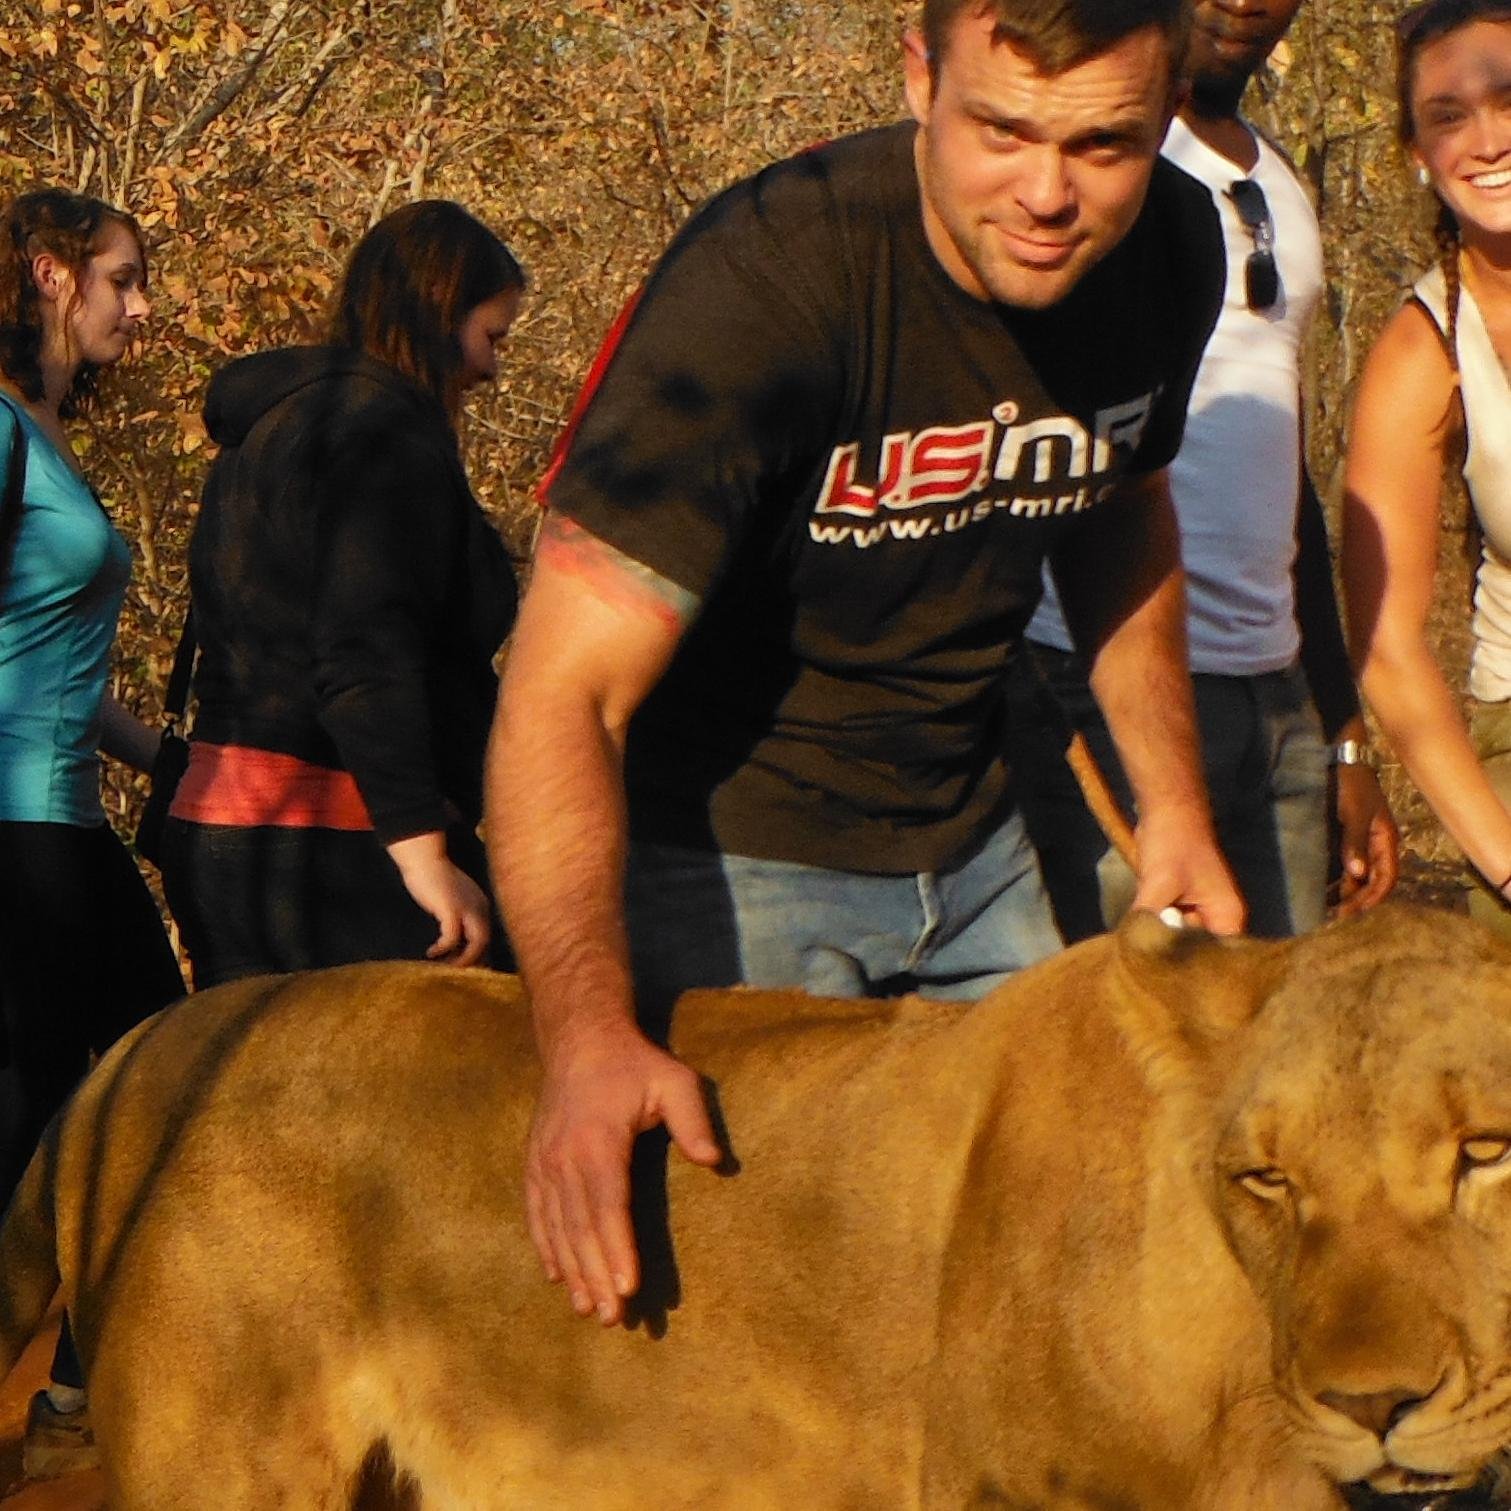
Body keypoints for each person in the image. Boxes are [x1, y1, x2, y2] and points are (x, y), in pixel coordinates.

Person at [487, 0, 1245, 1328]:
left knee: (1064, 1274)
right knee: (785, 1329)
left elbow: (1118, 506)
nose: (1047, 194)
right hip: (726, 848)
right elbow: (560, 687)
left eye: (1103, 146)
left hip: (977, 830)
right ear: (917, 76)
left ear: (1168, 111)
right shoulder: (767, 282)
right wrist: (583, 1034)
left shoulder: (1172, 252)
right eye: (1000, 130)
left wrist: (1173, 809)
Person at [1017, 0, 1400, 940]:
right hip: (1100, 684)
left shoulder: (1280, 180)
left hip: (1273, 706)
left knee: (1270, 1054)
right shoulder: (1094, 159)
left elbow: (1284, 475)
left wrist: (1340, 730)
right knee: (1123, 1049)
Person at [160, 201, 522, 984]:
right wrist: (422, 852)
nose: (492, 369)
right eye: (491, 337)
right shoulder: (380, 436)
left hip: (227, 828)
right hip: (334, 845)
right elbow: (364, 652)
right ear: (439, 310)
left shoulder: (273, 427)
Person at [0, 187, 185, 1472]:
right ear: (53, 275)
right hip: (14, 839)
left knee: (151, 1082)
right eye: (122, 278)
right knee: (53, 1117)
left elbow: (59, 663)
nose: (140, 305)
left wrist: (178, 756)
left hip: (65, 825)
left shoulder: (44, 431)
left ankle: (78, 1389)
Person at [1343, 0, 1511, 937]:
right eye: (1448, 115)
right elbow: (1388, 645)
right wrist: (1505, 862)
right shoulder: (1424, 349)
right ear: (1415, 150)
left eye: (1510, 100)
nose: (1486, 141)